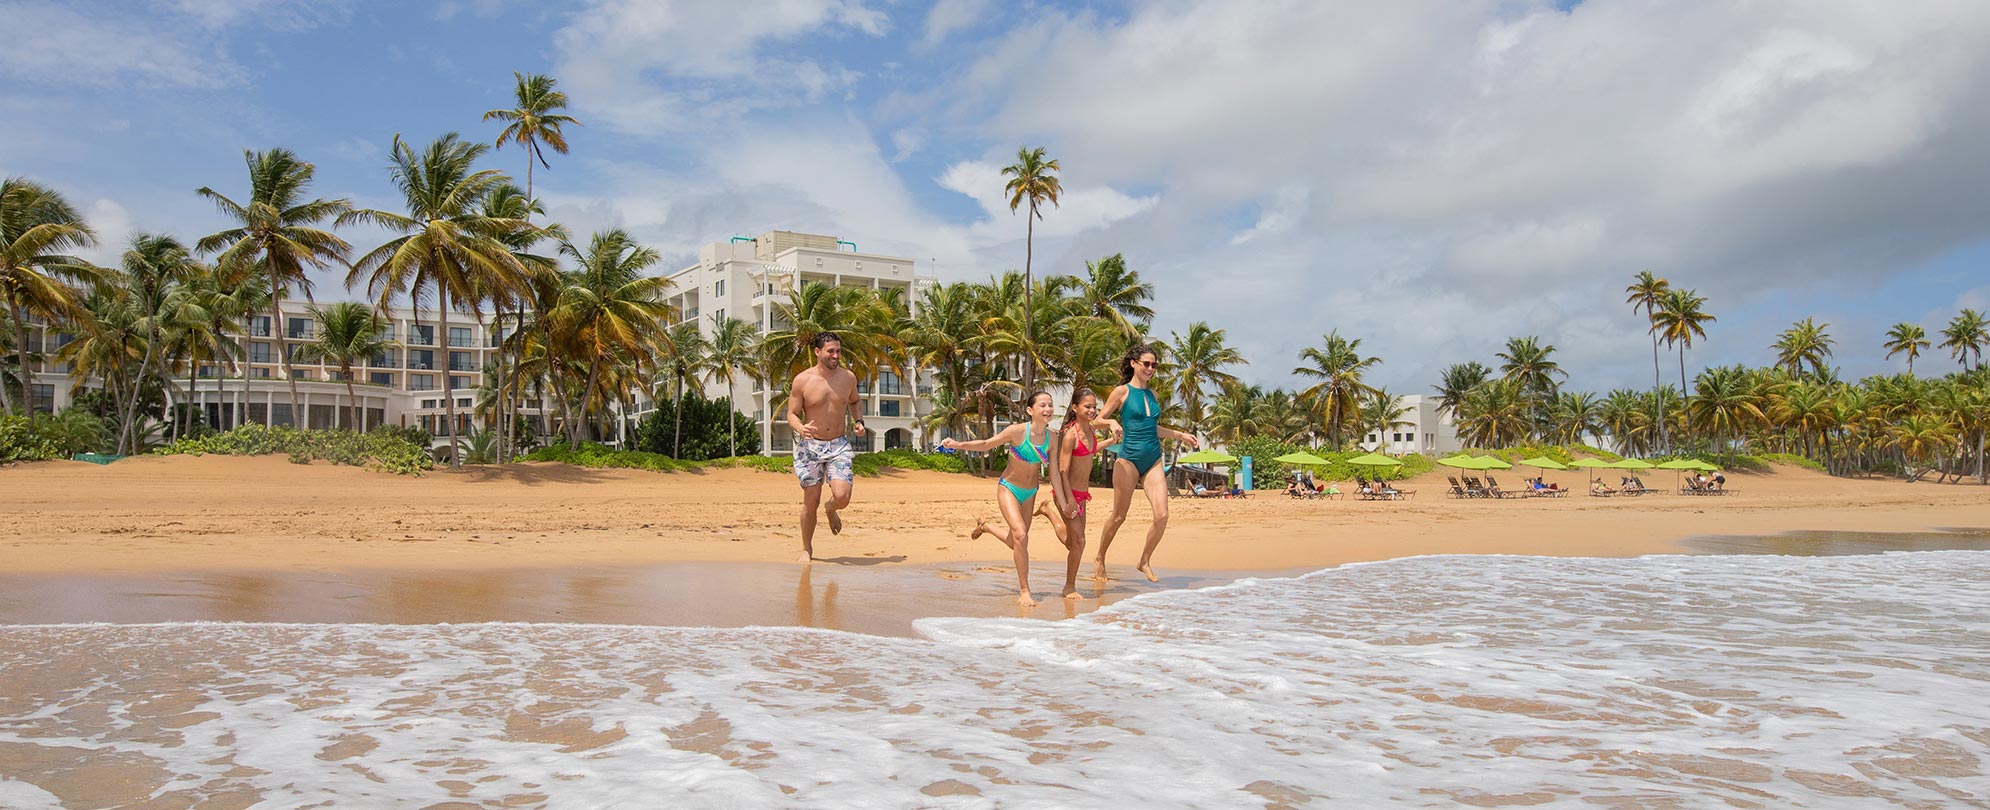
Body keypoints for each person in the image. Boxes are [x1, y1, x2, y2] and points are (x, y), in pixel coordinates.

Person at [940, 391, 1061, 606]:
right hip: (1009, 488)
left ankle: (985, 527)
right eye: (1042, 405)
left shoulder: (1052, 438)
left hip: (1031, 491)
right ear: (1030, 410)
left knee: (1017, 543)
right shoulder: (1016, 432)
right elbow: (987, 443)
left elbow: (1054, 473)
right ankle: (1024, 591)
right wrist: (957, 445)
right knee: (1021, 536)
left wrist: (1063, 499)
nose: (1047, 409)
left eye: (1050, 405)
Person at [1094, 344, 1200, 583]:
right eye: (1147, 364)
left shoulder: (1152, 395)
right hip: (1128, 458)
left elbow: (1152, 427)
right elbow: (1097, 419)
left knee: (1162, 515)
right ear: (1133, 363)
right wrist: (1111, 423)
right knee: (1119, 516)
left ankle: (1144, 560)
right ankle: (1100, 557)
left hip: (1152, 458)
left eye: (1154, 365)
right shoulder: (1121, 392)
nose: (1151, 368)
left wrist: (1179, 435)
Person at [787, 331, 864, 564]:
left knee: (842, 496)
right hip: (810, 446)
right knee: (811, 501)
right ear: (818, 352)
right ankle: (806, 549)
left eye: (838, 351)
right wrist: (800, 428)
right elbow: (791, 413)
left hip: (839, 444)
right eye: (831, 351)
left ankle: (831, 509)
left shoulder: (848, 378)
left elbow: (854, 402)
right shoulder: (802, 380)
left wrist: (859, 421)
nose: (836, 355)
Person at [1035, 388, 1118, 600]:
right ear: (1075, 408)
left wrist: (1110, 442)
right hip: (1067, 494)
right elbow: (1062, 471)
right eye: (1087, 407)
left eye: (1094, 407)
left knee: (1074, 542)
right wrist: (1069, 500)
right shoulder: (1071, 435)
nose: (1092, 410)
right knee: (1079, 542)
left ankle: (1048, 512)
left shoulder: (1090, 431)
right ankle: (1069, 586)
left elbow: (1091, 450)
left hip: (1083, 495)